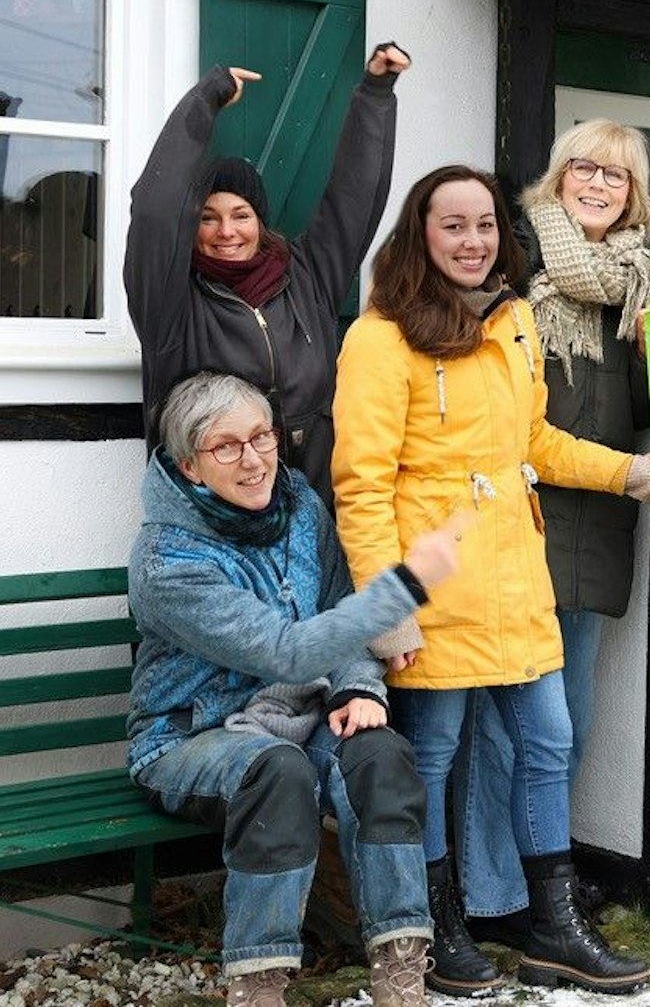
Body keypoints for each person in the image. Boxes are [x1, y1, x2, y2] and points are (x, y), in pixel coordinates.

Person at [332, 164, 650, 995]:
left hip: (519, 578)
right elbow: (362, 485)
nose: (473, 241)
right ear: (421, 233)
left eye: (484, 225)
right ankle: (438, 926)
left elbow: (536, 442)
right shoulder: (380, 336)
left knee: (547, 742)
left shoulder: (516, 319)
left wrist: (626, 471)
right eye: (453, 225)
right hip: (434, 588)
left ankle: (554, 929)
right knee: (434, 754)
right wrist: (386, 607)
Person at [127, 371, 462, 1007]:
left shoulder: (299, 506)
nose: (253, 460)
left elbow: (335, 604)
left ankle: (401, 978)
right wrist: (405, 587)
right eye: (227, 447)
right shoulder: (167, 564)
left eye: (262, 437)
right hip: (190, 738)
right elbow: (287, 649)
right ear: (191, 467)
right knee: (277, 774)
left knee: (380, 755)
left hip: (301, 720)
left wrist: (360, 687)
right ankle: (257, 986)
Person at [461, 121, 650, 949]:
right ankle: (491, 893)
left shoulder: (643, 288)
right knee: (504, 725)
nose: (596, 184)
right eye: (583, 166)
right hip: (523, 522)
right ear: (557, 175)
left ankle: (536, 878)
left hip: (600, 527)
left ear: (634, 196)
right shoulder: (516, 265)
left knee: (567, 718)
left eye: (615, 176)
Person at [126, 43, 410, 503]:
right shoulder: (170, 302)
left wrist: (376, 94)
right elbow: (154, 211)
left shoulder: (306, 276)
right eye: (207, 217)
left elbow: (354, 199)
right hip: (213, 521)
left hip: (312, 509)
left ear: (260, 221)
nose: (226, 231)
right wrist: (205, 101)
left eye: (240, 214)